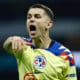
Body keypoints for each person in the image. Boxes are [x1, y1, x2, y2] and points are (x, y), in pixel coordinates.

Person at [3, 4, 77, 80]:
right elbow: (6, 46)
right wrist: (12, 39)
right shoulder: (23, 45)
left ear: (48, 24)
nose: (31, 19)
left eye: (37, 16)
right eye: (29, 17)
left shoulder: (65, 54)